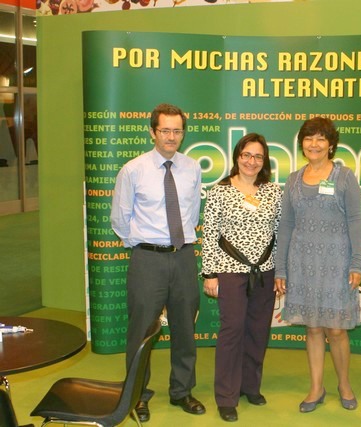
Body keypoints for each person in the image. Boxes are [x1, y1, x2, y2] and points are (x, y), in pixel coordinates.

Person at [111, 103, 206, 423]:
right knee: (141, 332)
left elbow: (192, 215)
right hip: (147, 259)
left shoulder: (192, 168)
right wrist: (142, 244)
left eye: (177, 131)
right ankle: (137, 395)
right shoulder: (133, 170)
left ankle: (182, 391)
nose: (171, 137)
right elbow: (120, 218)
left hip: (183, 258)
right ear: (152, 132)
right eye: (165, 130)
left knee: (185, 329)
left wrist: (180, 243)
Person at [274, 117, 361, 413]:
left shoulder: (345, 177)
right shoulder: (293, 180)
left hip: (337, 263)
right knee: (313, 328)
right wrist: (281, 269)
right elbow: (286, 225)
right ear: (302, 143)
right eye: (309, 138)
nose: (314, 144)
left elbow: (355, 221)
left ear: (331, 145)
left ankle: (344, 384)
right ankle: (316, 388)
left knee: (336, 330)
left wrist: (357, 263)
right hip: (302, 262)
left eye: (321, 138)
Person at [201, 133, 282, 422]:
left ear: (264, 160)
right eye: (247, 155)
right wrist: (209, 274)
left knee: (258, 331)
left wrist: (281, 272)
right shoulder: (219, 191)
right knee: (232, 331)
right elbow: (210, 235)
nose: (251, 161)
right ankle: (226, 397)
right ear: (237, 156)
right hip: (230, 271)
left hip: (265, 272)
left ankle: (250, 386)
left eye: (258, 156)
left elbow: (280, 233)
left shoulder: (274, 191)